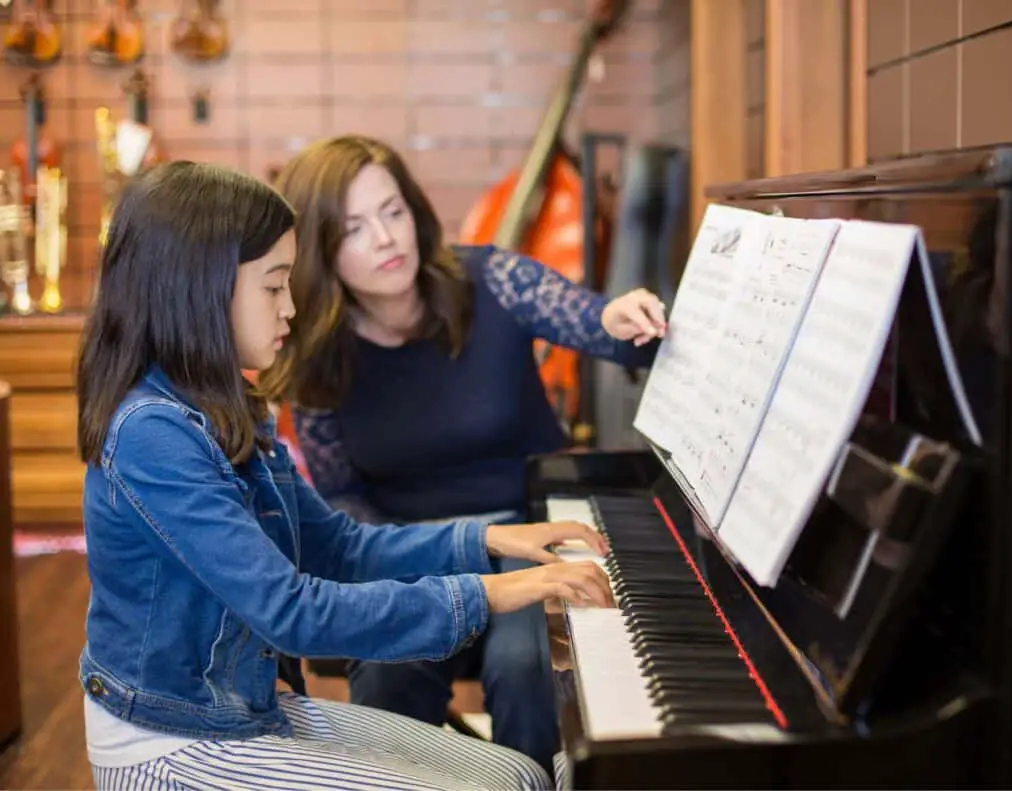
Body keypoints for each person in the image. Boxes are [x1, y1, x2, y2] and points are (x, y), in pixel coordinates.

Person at [76, 160, 616, 791]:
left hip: (242, 707)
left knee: (522, 774)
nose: (293, 307)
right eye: (274, 286)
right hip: (173, 741)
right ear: (201, 291)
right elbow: (291, 612)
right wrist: (497, 592)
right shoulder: (152, 433)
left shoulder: (229, 403)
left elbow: (337, 546)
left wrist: (493, 542)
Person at [261, 135, 666, 774]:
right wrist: (417, 568)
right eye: (354, 229)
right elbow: (343, 498)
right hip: (412, 556)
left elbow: (595, 323)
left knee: (529, 666)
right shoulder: (316, 355)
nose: (386, 239)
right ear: (320, 250)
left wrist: (619, 317)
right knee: (387, 678)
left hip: (533, 537)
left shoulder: (494, 279)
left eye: (392, 212)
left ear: (415, 210)